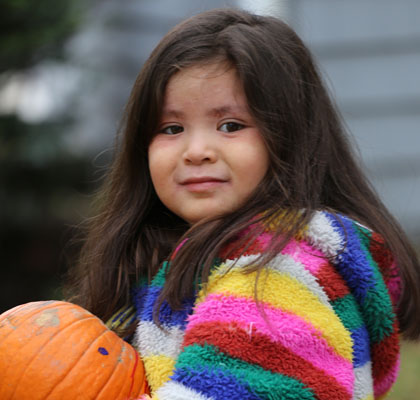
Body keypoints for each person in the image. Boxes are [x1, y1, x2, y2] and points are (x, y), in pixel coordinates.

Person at [66, 8, 420, 400]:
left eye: (230, 125)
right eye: (172, 128)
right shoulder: (172, 263)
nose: (196, 151)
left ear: (288, 138)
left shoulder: (276, 276)